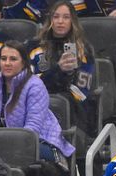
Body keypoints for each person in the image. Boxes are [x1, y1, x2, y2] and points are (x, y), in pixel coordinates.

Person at [0, 40, 75, 165]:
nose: (7, 63)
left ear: (23, 62)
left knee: (14, 155)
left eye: (13, 59)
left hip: (38, 141)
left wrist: (4, 143)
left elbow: (33, 128)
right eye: (3, 59)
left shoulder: (35, 85)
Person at [28, 0, 96, 137]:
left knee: (62, 103)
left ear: (73, 20)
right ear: (50, 19)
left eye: (66, 17)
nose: (60, 21)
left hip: (73, 109)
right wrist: (58, 70)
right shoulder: (33, 47)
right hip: (37, 102)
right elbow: (30, 83)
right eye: (56, 16)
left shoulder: (84, 49)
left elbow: (82, 91)